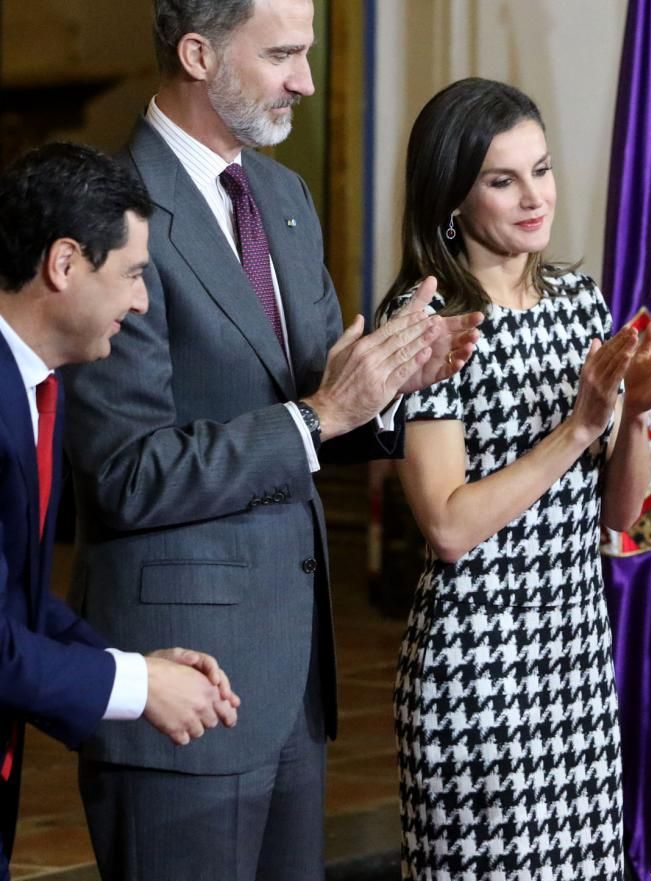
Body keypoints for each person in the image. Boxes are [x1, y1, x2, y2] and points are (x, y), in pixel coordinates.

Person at [59, 2, 482, 879]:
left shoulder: (282, 197)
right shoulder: (110, 211)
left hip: (294, 679)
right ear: (197, 53)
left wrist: (395, 378)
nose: (307, 81)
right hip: (184, 683)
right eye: (284, 54)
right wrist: (326, 410)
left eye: (311, 54)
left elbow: (316, 409)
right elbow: (124, 476)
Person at [379, 77, 651, 880]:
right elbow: (449, 528)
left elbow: (616, 518)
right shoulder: (426, 320)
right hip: (477, 667)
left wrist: (638, 417)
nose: (535, 197)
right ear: (450, 195)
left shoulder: (579, 302)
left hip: (575, 660)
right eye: (503, 178)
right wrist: (581, 427)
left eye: (543, 169)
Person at [0, 143, 243, 881]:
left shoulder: (40, 385)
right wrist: (138, 687)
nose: (141, 302)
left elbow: (19, 604)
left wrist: (132, 667)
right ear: (65, 263)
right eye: (134, 273)